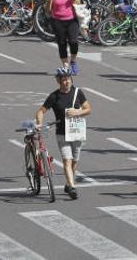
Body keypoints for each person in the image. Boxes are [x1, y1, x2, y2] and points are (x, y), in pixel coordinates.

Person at [36, 67, 91, 199]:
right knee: (67, 160)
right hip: (62, 133)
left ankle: (68, 182)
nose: (67, 82)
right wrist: (39, 123)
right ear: (58, 81)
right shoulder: (54, 96)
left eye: (68, 79)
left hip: (77, 133)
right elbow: (41, 111)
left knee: (74, 161)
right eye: (64, 80)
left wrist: (78, 112)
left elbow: (88, 109)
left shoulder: (78, 93)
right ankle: (72, 187)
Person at [47, 0, 81, 74]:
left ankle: (73, 61)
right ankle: (65, 65)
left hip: (72, 19)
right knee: (62, 43)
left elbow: (79, 3)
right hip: (57, 20)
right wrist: (49, 2)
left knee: (73, 41)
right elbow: (48, 10)